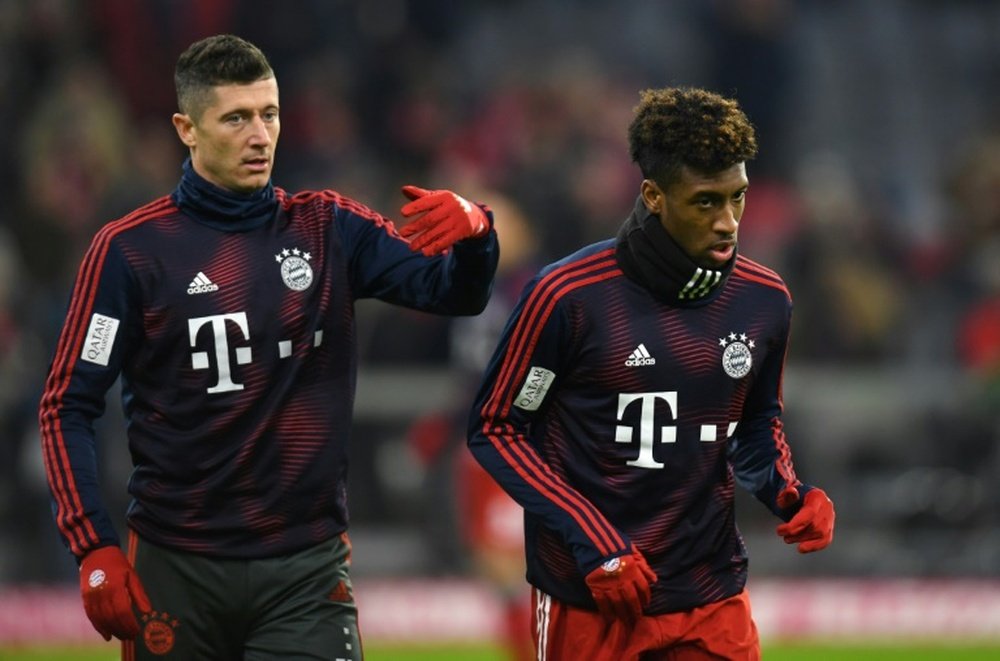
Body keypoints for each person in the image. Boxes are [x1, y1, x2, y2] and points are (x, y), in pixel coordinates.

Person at [38, 34, 498, 659]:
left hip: (304, 573)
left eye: (270, 114)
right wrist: (93, 545)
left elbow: (453, 294)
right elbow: (67, 405)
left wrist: (476, 235)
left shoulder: (329, 228)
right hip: (177, 569)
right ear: (186, 128)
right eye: (236, 118)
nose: (260, 135)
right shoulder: (129, 252)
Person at [467, 86, 835, 660]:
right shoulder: (568, 296)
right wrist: (594, 540)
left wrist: (790, 492)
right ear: (654, 196)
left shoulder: (764, 300)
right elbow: (497, 427)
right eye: (707, 202)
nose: (729, 222)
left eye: (738, 198)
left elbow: (755, 424)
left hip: (710, 595)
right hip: (591, 598)